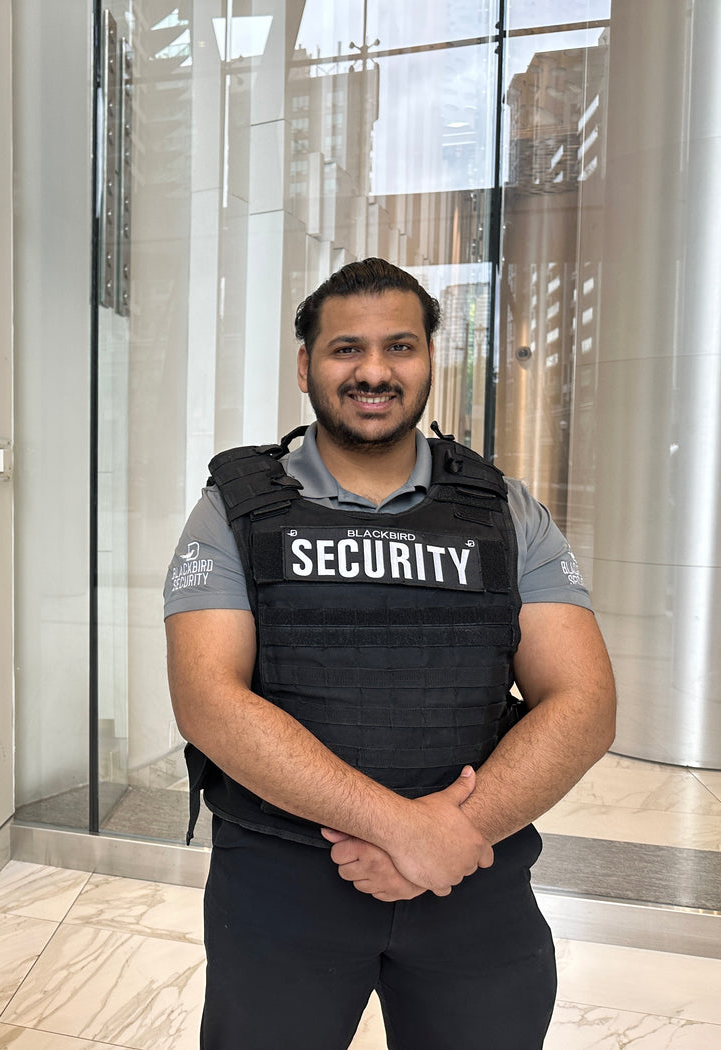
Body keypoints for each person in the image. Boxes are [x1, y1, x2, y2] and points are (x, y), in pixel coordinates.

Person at [164, 258, 615, 1050]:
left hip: (474, 876)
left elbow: (583, 704)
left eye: (400, 347)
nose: (374, 371)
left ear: (431, 360)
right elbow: (209, 700)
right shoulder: (232, 512)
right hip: (282, 885)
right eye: (347, 350)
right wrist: (404, 830)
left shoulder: (505, 513)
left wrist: (445, 837)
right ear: (306, 365)